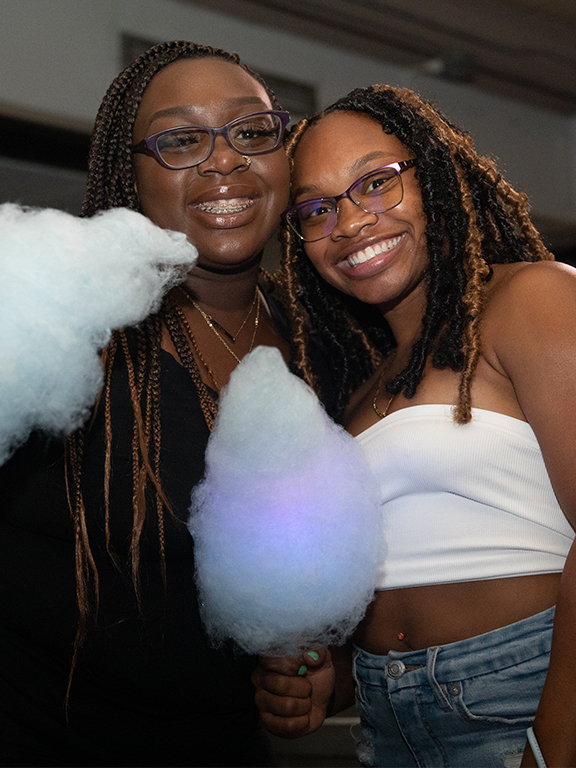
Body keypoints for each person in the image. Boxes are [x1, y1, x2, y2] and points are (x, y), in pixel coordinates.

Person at [253, 84, 576, 767]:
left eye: (376, 182)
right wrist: (335, 678)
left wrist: (554, 746)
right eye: (316, 209)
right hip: (387, 721)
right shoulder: (360, 393)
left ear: (436, 177)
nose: (349, 222)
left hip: (523, 697)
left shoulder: (532, 299)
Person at [0, 40, 293, 766]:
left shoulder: (329, 343)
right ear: (130, 175)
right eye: (181, 140)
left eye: (251, 130)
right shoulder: (67, 329)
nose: (223, 161)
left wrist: (326, 670)